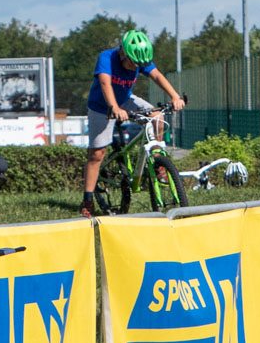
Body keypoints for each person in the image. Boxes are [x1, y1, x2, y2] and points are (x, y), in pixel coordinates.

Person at [79, 28, 186, 217]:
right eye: (133, 63)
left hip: (125, 100)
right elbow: (105, 83)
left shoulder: (139, 59)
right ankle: (87, 201)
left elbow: (157, 76)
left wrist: (175, 97)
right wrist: (114, 107)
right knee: (97, 154)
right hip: (101, 106)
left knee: (158, 117)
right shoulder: (107, 57)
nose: (135, 68)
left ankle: (158, 161)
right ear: (123, 53)